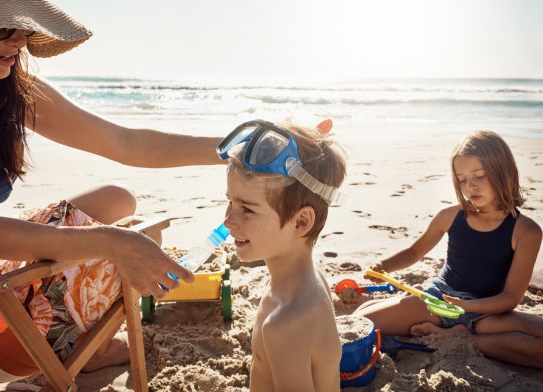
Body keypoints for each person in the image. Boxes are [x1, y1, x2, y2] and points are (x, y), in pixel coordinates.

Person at [0, 0, 224, 374]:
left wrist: (235, 148)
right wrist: (112, 242)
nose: (20, 40)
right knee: (133, 238)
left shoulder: (6, 92)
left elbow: (126, 143)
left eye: (23, 27)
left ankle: (87, 345)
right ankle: (87, 348)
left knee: (117, 200)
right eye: (2, 27)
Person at [354, 130, 543, 368]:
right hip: (438, 301)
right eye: (462, 179)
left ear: (503, 171)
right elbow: (415, 252)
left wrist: (467, 306)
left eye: (479, 175)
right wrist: (384, 266)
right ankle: (430, 313)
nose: (469, 186)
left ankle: (464, 337)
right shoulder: (450, 216)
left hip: (487, 313)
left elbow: (510, 298)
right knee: (361, 319)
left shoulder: (527, 231)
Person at [219, 119, 346, 391]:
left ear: (301, 223)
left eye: (247, 209)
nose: (228, 220)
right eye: (230, 202)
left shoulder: (285, 324)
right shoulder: (310, 283)